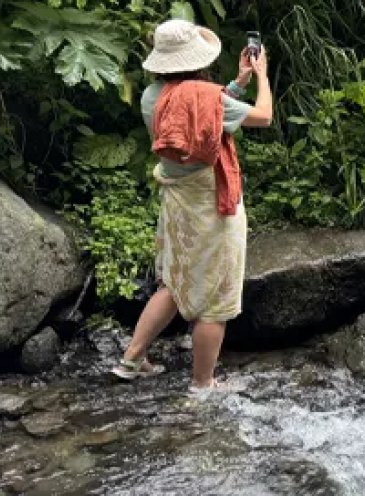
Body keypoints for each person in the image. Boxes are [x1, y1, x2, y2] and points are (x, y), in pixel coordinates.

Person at [111, 19, 273, 393]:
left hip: (176, 200)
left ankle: (132, 358)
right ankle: (203, 384)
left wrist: (238, 83)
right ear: (198, 59)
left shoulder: (152, 96)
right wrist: (261, 77)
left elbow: (204, 114)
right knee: (216, 295)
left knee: (175, 281)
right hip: (210, 201)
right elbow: (262, 116)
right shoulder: (209, 98)